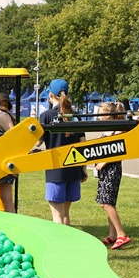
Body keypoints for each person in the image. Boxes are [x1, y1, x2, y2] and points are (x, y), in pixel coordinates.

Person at [39, 79, 85, 225]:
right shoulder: (76, 115)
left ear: (50, 94)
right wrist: (83, 170)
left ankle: (61, 245)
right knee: (65, 214)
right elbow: (82, 144)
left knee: (57, 216)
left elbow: (37, 142)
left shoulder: (46, 116)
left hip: (56, 171)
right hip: (74, 170)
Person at [93, 100, 130, 248]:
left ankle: (121, 234)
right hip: (104, 170)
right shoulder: (108, 128)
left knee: (106, 203)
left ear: (108, 115)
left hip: (112, 169)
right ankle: (112, 235)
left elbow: (119, 152)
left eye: (101, 114)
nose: (98, 116)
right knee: (108, 202)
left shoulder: (119, 129)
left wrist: (104, 163)